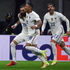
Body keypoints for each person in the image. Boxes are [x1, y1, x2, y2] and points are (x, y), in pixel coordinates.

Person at [24, 3, 49, 68]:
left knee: (27, 47)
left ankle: (42, 51)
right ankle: (45, 62)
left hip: (34, 33)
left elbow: (40, 22)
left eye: (26, 7)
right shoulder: (26, 13)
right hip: (30, 33)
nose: (25, 8)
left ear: (30, 8)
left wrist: (36, 26)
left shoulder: (34, 15)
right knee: (34, 50)